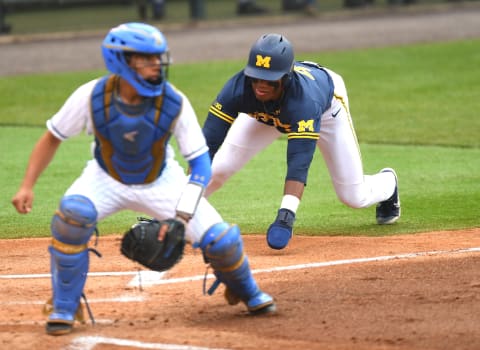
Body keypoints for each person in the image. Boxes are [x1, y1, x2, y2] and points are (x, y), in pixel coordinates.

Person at [11, 23, 275, 336]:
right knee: (72, 216)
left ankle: (246, 290)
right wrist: (27, 185)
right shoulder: (92, 95)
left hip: (162, 181)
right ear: (121, 61)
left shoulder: (173, 101)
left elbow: (200, 163)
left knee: (223, 241)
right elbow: (52, 137)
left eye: (158, 58)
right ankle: (65, 306)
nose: (156, 65)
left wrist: (182, 215)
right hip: (104, 178)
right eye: (146, 59)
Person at [202, 33, 401, 250]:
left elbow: (299, 162)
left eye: (268, 79)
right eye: (255, 76)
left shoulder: (305, 102)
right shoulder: (237, 88)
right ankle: (177, 213)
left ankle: (388, 184)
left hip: (326, 111)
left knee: (354, 196)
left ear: (285, 77)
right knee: (219, 167)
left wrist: (285, 216)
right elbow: (208, 144)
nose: (260, 84)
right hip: (265, 114)